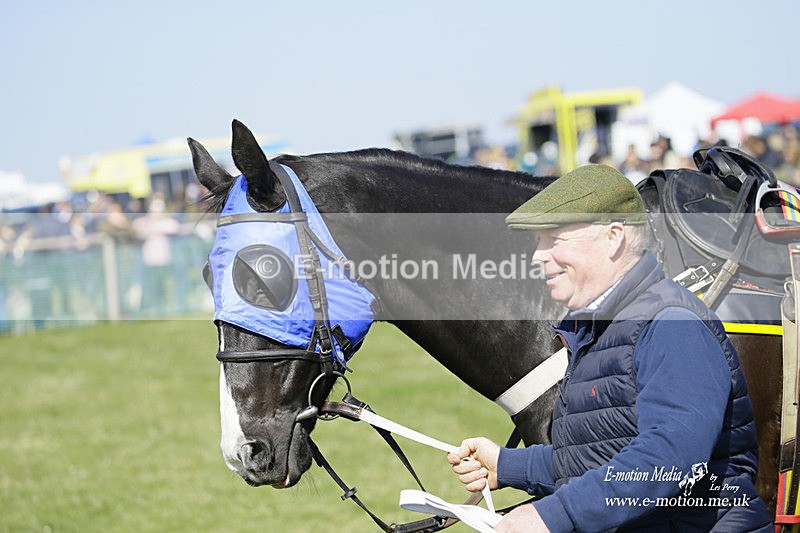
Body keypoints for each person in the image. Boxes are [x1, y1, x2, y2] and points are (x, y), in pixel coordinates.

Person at [447, 164, 772, 532]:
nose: (537, 256)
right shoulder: (600, 327)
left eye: (553, 238)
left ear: (613, 237)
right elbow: (602, 451)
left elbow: (668, 459)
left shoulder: (671, 325)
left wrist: (553, 515)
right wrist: (508, 466)